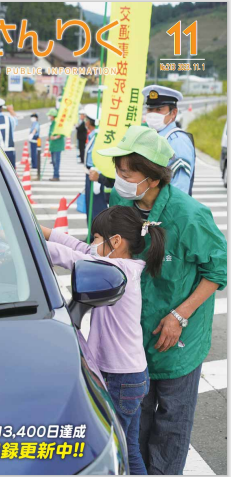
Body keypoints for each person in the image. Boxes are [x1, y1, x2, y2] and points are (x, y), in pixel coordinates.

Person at [97, 125, 227, 475]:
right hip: (133, 335)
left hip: (178, 337)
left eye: (127, 172)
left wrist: (180, 315)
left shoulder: (189, 215)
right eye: (118, 170)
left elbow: (218, 271)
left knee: (172, 420)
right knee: (135, 416)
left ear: (152, 178)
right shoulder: (121, 201)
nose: (120, 178)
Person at [40, 204, 167, 475]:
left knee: (113, 449)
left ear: (116, 242)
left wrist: (26, 242)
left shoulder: (117, 270)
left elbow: (71, 257)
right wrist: (44, 231)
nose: (92, 244)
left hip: (121, 378)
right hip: (131, 374)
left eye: (96, 238)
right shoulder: (121, 262)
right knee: (128, 446)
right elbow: (78, 247)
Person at [142, 85, 196, 196]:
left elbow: (180, 191)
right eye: (150, 109)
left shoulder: (178, 141)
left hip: (167, 211)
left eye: (159, 109)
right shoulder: (150, 136)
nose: (153, 114)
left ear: (174, 113)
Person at [84, 104, 108, 236]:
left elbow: (98, 157)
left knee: (97, 210)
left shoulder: (98, 136)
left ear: (89, 122)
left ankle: (99, 237)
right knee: (90, 207)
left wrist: (98, 179)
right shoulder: (93, 135)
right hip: (90, 174)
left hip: (96, 175)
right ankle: (92, 235)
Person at [47, 108, 65, 181]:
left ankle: (56, 176)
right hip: (53, 146)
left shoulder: (58, 123)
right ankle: (55, 175)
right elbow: (50, 133)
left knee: (56, 161)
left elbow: (62, 134)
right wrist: (49, 137)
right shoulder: (52, 123)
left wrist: (54, 137)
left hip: (57, 146)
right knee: (53, 161)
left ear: (53, 116)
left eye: (50, 115)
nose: (49, 117)